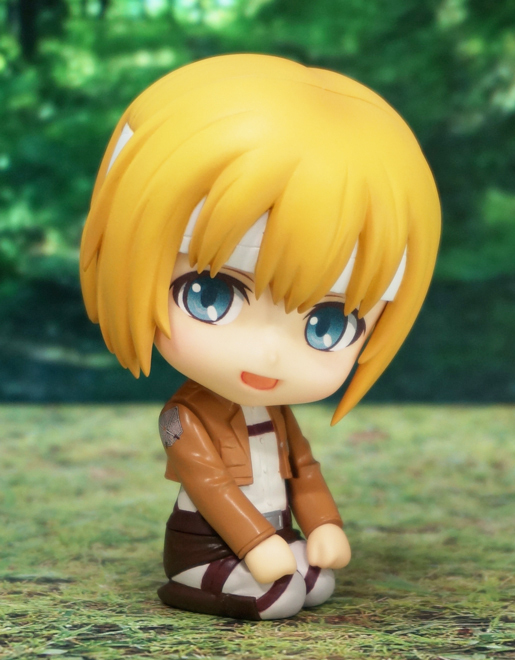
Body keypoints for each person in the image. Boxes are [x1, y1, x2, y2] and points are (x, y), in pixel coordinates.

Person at [80, 54, 441, 620]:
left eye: (327, 325)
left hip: (274, 534)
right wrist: (254, 544)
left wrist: (322, 523)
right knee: (280, 595)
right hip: (206, 544)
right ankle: (192, 586)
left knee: (314, 581)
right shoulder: (185, 418)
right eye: (211, 294)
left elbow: (304, 470)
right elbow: (210, 486)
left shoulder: (276, 414)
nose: (270, 352)